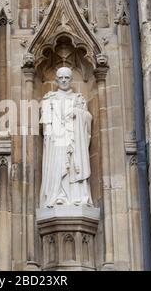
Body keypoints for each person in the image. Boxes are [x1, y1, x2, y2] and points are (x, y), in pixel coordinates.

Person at [40, 67, 93, 207]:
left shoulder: (78, 99)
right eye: (61, 78)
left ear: (71, 80)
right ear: (56, 80)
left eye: (67, 78)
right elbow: (45, 123)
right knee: (58, 166)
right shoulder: (50, 98)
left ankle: (77, 196)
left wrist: (77, 113)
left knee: (74, 167)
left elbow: (88, 119)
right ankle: (59, 195)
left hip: (74, 141)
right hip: (57, 142)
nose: (64, 80)